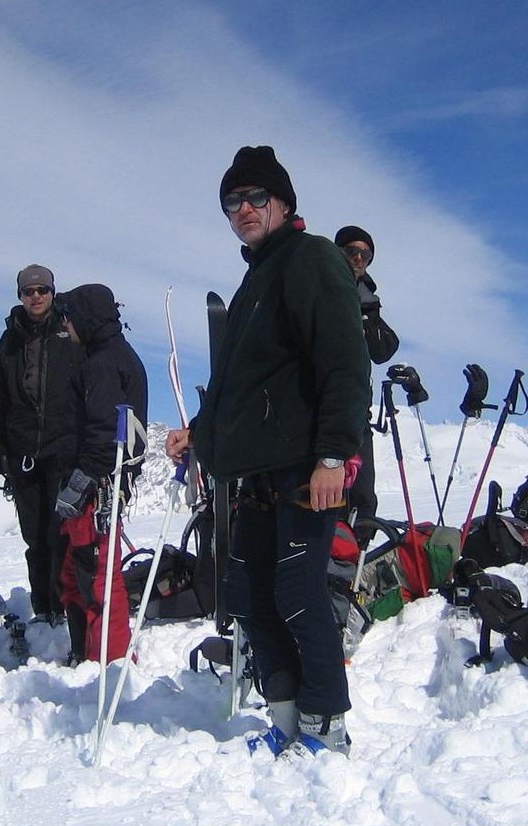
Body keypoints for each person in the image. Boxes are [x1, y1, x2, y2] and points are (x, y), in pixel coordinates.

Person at [165, 146, 371, 756]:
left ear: (283, 203)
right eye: (233, 201)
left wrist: (334, 455)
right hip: (253, 476)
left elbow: (344, 361)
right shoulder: (257, 277)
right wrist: (200, 433)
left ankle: (326, 727)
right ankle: (285, 721)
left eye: (256, 197)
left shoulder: (311, 261)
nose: (244, 209)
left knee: (300, 596)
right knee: (250, 599)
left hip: (305, 470)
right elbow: (239, 385)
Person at [51, 283, 148, 665]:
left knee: (97, 577)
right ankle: (86, 651)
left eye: (69, 317)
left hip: (98, 488)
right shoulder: (110, 355)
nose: (65, 325)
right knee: (80, 572)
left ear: (86, 318)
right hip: (101, 483)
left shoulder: (103, 363)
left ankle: (108, 660)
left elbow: (106, 432)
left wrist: (82, 481)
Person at [0, 265, 84, 624]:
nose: (36, 297)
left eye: (42, 290)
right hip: (23, 451)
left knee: (59, 533)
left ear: (53, 292)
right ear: (20, 296)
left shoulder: (68, 331)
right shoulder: (9, 341)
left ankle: (62, 604)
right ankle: (43, 607)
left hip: (63, 448)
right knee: (35, 535)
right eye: (29, 291)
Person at [334, 225, 400, 545]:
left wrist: (369, 315)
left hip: (358, 413)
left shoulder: (367, 299)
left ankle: (353, 567)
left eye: (365, 254)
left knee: (362, 498)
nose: (359, 259)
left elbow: (383, 350)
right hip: (325, 412)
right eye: (352, 251)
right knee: (329, 496)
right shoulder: (324, 288)